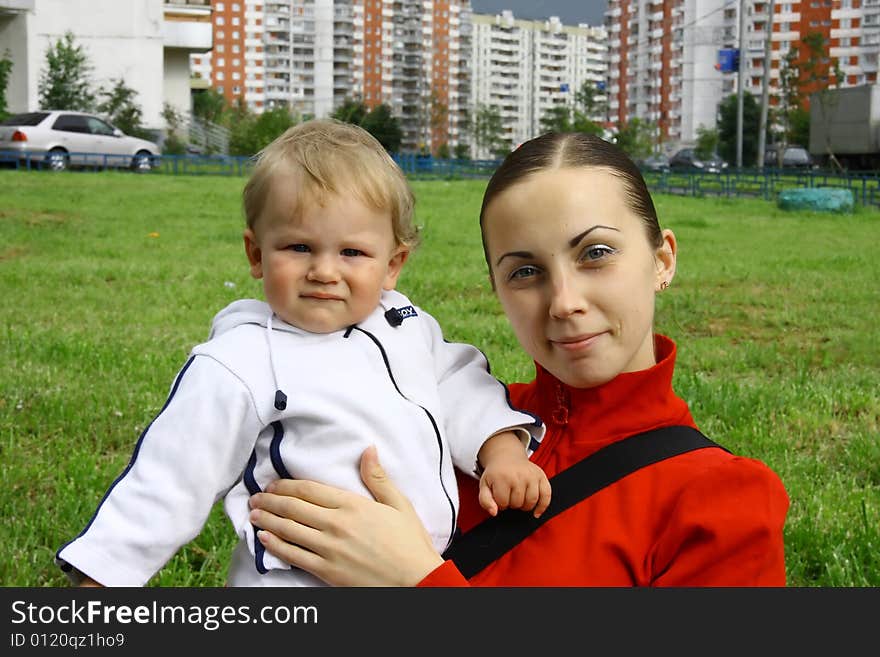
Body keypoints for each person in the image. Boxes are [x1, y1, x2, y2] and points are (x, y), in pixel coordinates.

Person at [246, 131, 791, 586]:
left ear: (661, 259)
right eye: (525, 272)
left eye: (596, 254)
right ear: (497, 289)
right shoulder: (436, 427)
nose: (564, 302)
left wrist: (418, 583)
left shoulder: (721, 502)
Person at [55, 119, 549, 587]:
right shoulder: (241, 359)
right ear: (256, 254)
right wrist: (104, 576)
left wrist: (501, 452)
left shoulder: (405, 324)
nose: (324, 271)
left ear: (393, 264)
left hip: (413, 567)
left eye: (351, 253)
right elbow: (169, 476)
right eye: (298, 247)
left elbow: (460, 386)